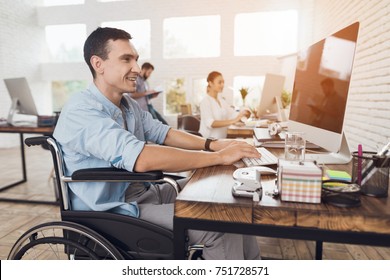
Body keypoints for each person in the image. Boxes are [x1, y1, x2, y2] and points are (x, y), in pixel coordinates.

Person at [53, 27, 261, 260]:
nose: (137, 69)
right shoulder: (82, 110)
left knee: (233, 210)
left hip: (145, 191)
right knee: (219, 224)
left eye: (136, 59)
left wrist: (213, 145)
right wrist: (218, 158)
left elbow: (164, 133)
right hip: (114, 211)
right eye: (126, 59)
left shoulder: (128, 105)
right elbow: (142, 158)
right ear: (98, 64)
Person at [199, 71, 249, 138]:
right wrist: (234, 120)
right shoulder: (205, 101)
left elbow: (233, 114)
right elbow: (211, 123)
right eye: (219, 82)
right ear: (210, 83)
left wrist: (244, 113)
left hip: (221, 141)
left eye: (223, 82)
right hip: (208, 142)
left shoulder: (221, 100)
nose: (222, 85)